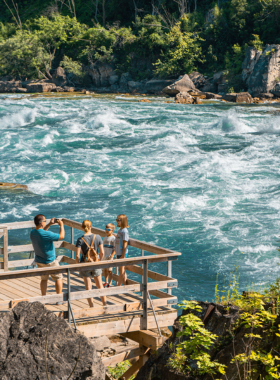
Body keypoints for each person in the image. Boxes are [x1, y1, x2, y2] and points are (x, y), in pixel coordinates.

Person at [30, 215, 65, 296]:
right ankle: (59, 299)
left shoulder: (32, 232)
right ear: (41, 223)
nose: (45, 222)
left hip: (39, 261)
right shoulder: (47, 234)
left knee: (44, 279)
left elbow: (42, 232)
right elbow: (61, 236)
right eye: (45, 221)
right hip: (50, 261)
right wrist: (61, 225)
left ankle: (44, 297)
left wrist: (49, 224)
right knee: (58, 278)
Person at [75, 220, 107, 307]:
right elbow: (102, 253)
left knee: (88, 287)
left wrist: (78, 265)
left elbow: (77, 255)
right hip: (96, 263)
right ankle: (104, 304)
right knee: (100, 285)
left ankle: (91, 306)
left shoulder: (80, 240)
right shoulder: (98, 237)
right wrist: (98, 261)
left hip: (85, 264)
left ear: (82, 227)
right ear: (91, 226)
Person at [115, 214, 129, 286]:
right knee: (122, 270)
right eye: (116, 220)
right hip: (119, 252)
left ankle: (118, 286)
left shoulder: (125, 231)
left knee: (121, 270)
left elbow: (125, 244)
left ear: (123, 221)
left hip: (122, 253)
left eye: (119, 220)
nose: (117, 221)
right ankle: (124, 285)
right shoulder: (120, 230)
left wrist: (123, 255)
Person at [102, 223, 116, 288]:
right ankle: (106, 281)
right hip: (104, 256)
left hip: (110, 256)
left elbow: (115, 248)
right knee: (105, 270)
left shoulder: (113, 238)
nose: (106, 231)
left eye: (108, 229)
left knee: (110, 271)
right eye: (105, 229)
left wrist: (112, 255)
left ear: (112, 230)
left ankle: (110, 284)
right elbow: (102, 247)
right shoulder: (104, 238)